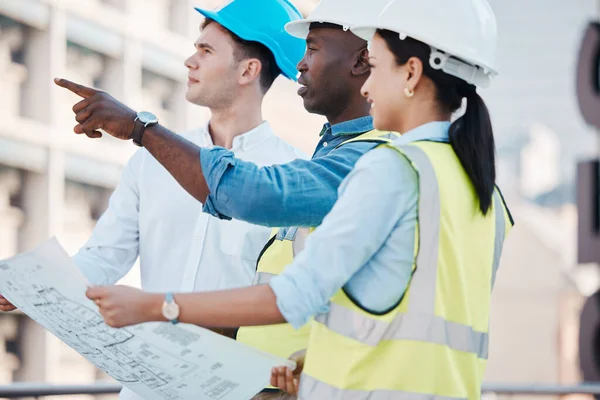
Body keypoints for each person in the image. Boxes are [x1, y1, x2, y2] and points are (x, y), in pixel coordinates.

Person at [86, 0, 515, 398]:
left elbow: (293, 294)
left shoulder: (391, 167)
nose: (367, 85)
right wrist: (317, 359)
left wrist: (156, 306)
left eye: (377, 64)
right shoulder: (480, 185)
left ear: (412, 73)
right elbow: (409, 310)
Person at [53, 0, 396, 393]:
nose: (189, 61)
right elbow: (102, 258)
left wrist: (140, 128)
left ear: (249, 70)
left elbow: (289, 291)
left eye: (206, 50)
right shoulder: (151, 164)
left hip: (241, 390)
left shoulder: (294, 174)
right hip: (149, 387)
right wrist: (34, 289)